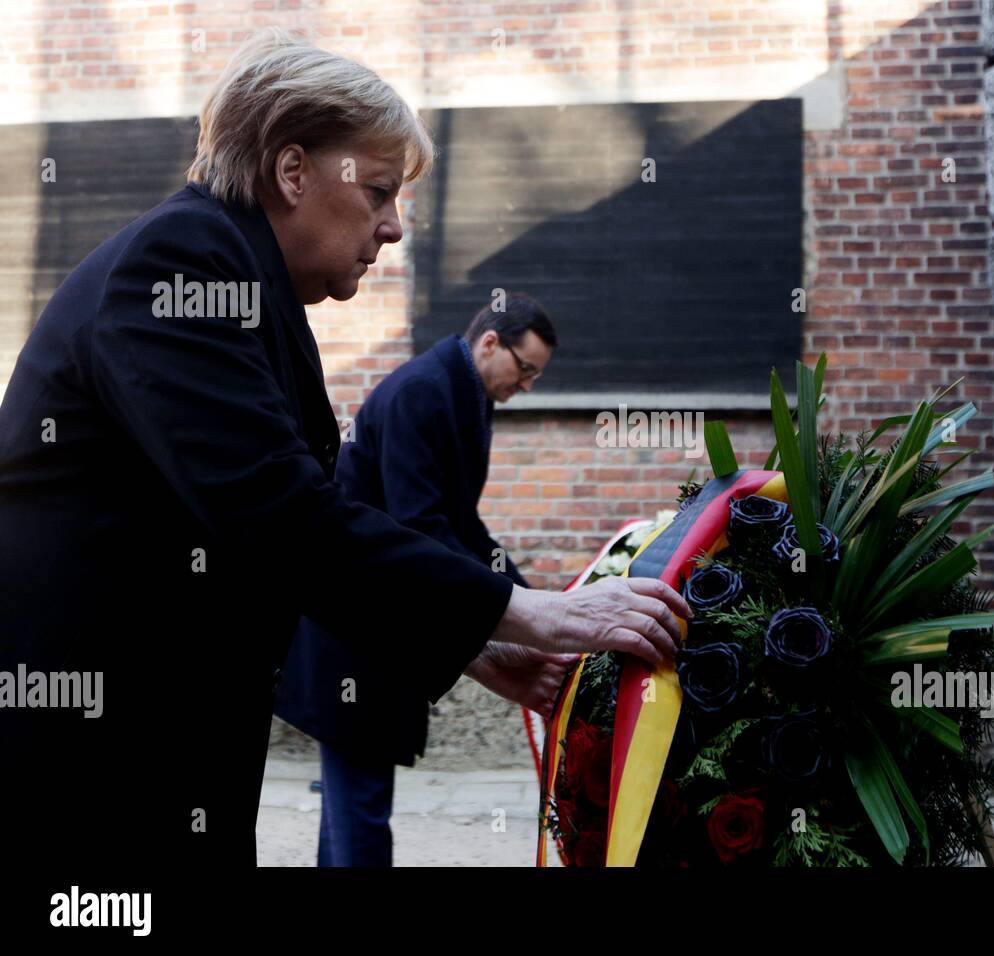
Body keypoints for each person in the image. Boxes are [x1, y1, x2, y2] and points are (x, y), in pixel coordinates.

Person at [0, 28, 686, 868]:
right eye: (381, 193)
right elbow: (281, 516)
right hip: (91, 760)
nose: (395, 228)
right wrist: (532, 611)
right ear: (292, 172)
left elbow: (285, 534)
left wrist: (474, 643)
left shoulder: (247, 284)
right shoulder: (180, 265)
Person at [275, 293, 559, 866]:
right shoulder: (424, 392)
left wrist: (538, 603)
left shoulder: (461, 392)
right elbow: (421, 526)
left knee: (352, 804)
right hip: (356, 634)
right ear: (489, 343)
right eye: (524, 369)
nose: (526, 385)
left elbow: (461, 524)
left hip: (379, 625)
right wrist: (508, 611)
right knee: (362, 808)